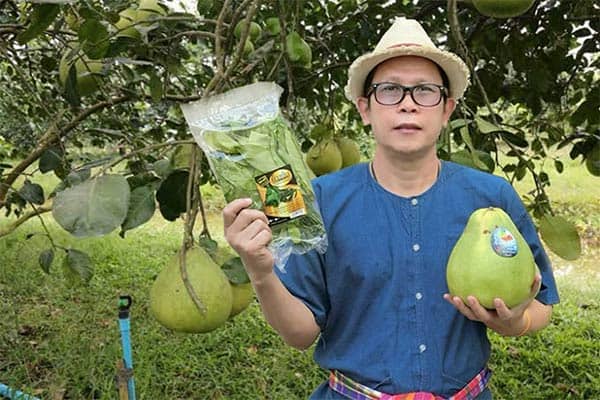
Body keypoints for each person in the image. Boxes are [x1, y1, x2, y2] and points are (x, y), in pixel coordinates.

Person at [223, 17, 559, 399]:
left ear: (447, 109)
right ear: (365, 109)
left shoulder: (492, 197)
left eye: (425, 91)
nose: (408, 104)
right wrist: (260, 270)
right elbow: (299, 334)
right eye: (390, 90)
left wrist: (515, 322)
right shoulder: (314, 200)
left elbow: (541, 305)